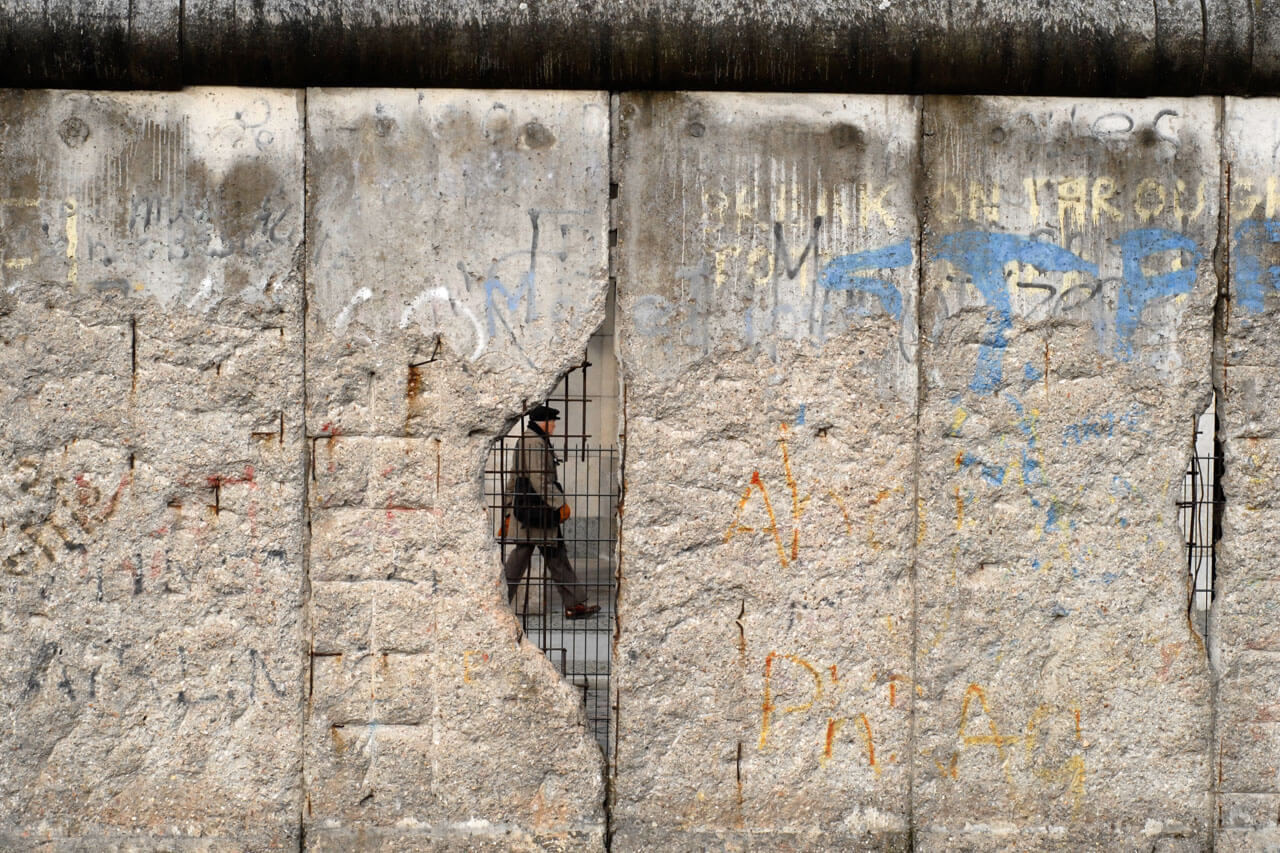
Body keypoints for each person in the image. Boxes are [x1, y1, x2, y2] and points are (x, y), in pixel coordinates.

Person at [500, 405, 600, 620]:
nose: (554, 425)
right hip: (537, 513)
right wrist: (559, 504)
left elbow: (513, 478)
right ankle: (499, 603)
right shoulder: (534, 442)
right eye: (552, 421)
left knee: (554, 556)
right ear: (543, 422)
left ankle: (574, 604)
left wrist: (509, 510)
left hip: (530, 512)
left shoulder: (527, 440)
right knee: (524, 560)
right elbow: (539, 480)